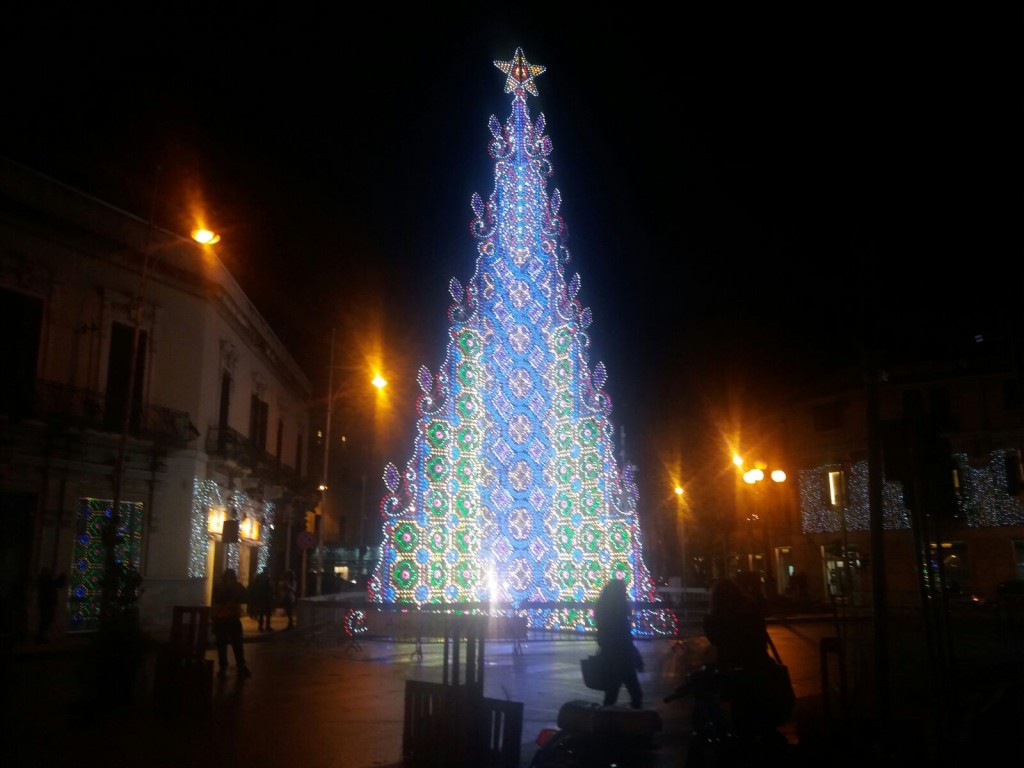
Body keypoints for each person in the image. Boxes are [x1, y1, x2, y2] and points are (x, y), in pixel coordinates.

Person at [702, 577, 773, 736]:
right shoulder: (750, 612)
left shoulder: (717, 618)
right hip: (759, 667)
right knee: (758, 714)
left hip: (733, 670)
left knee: (739, 714)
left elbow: (715, 639)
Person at [593, 578, 644, 709]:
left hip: (610, 655)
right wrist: (635, 656)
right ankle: (636, 720)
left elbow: (602, 636)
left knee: (611, 693)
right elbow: (624, 636)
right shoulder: (619, 611)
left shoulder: (604, 608)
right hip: (622, 656)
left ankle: (605, 720)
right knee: (634, 692)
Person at [211, 568, 251, 679]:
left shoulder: (219, 586)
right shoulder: (237, 586)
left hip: (220, 618)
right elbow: (245, 598)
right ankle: (240, 665)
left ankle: (223, 667)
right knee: (237, 643)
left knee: (222, 644)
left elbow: (215, 599)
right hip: (232, 618)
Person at [35, 566, 67, 643]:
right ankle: (42, 637)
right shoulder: (46, 581)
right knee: (46, 621)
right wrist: (62, 577)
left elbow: (57, 584)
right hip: (47, 604)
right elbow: (57, 584)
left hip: (46, 603)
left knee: (46, 621)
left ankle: (42, 636)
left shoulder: (44, 580)